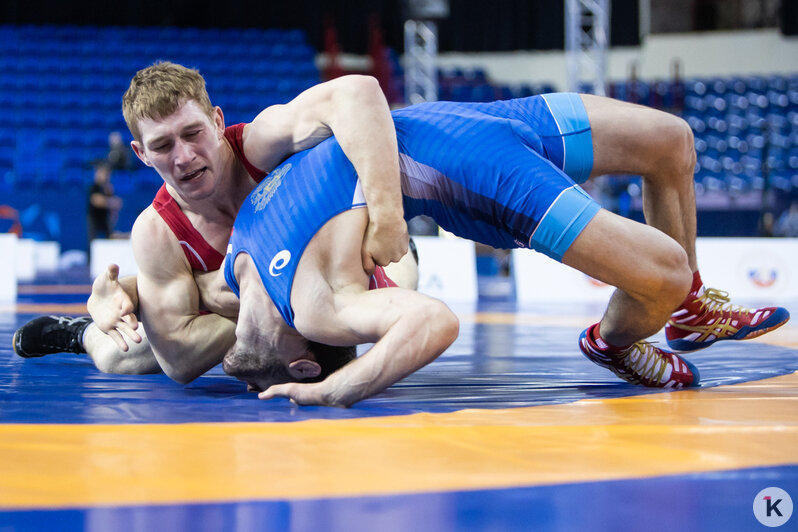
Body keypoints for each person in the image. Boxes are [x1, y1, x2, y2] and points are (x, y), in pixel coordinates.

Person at [222, 93, 790, 406]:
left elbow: (180, 313)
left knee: (672, 141)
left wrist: (126, 298)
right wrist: (334, 390)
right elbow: (434, 323)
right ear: (303, 361)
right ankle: (614, 341)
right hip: (469, 173)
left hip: (454, 121)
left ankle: (687, 316)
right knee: (666, 269)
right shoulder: (317, 307)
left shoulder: (235, 266)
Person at [12, 61, 412, 381]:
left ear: (218, 122)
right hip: (299, 299)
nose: (184, 156)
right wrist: (277, 296)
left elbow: (357, 92)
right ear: (141, 154)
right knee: (124, 354)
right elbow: (180, 362)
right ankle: (81, 334)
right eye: (163, 146)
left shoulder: (259, 146)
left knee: (394, 281)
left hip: (341, 272)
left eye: (193, 133)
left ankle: (405, 251)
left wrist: (389, 217)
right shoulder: (157, 231)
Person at [87, 162, 122, 252]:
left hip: (105, 218)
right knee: (92, 241)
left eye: (107, 174)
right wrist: (110, 202)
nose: (105, 176)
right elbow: (95, 200)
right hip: (94, 217)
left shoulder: (107, 188)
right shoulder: (94, 187)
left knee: (109, 240)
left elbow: (116, 204)